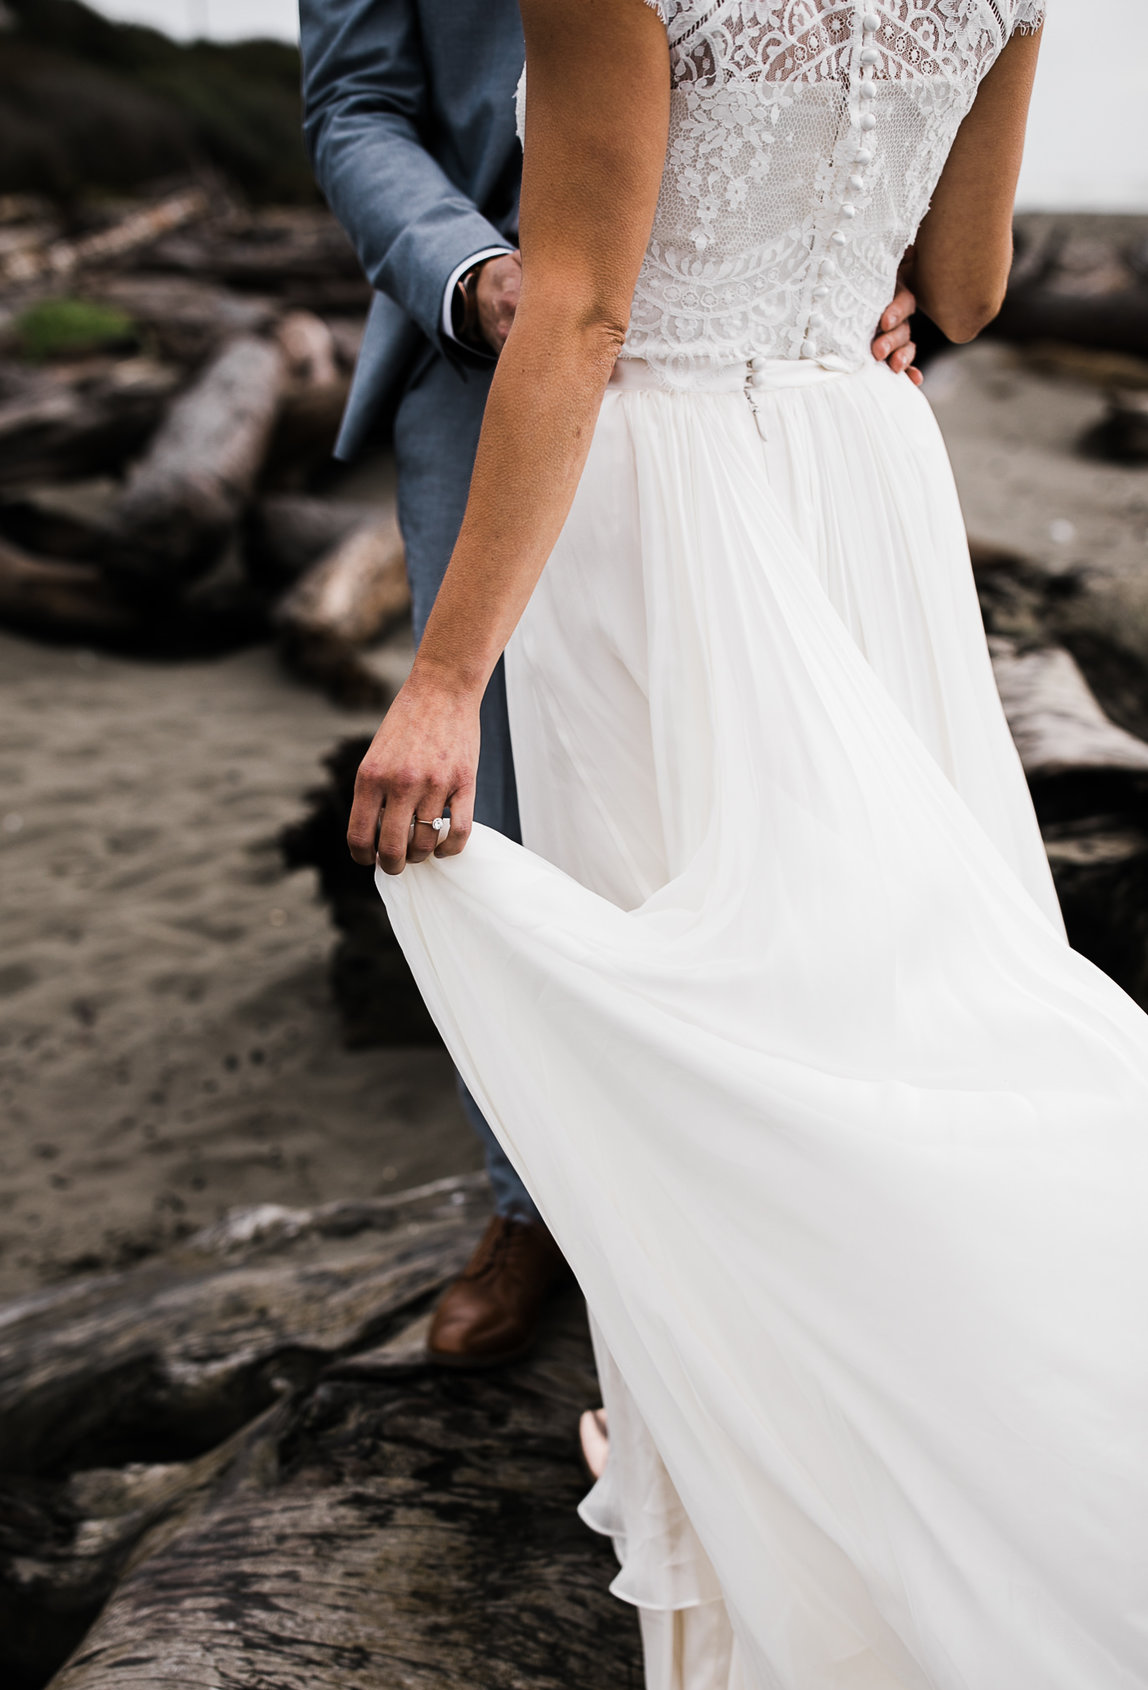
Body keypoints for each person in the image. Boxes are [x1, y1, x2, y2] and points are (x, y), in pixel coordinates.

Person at [346, 0, 1148, 1690]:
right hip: (864, 462)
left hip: (664, 488)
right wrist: (864, 312)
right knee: (902, 986)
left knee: (704, 994)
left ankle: (735, 1462)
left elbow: (587, 310)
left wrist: (446, 675)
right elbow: (962, 278)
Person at [299, 0, 923, 1369]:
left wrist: (887, 255)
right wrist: (477, 274)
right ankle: (536, 1206)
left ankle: (771, 1194)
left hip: (755, 381)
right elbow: (353, 106)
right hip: (497, 369)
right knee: (505, 801)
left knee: (776, 777)